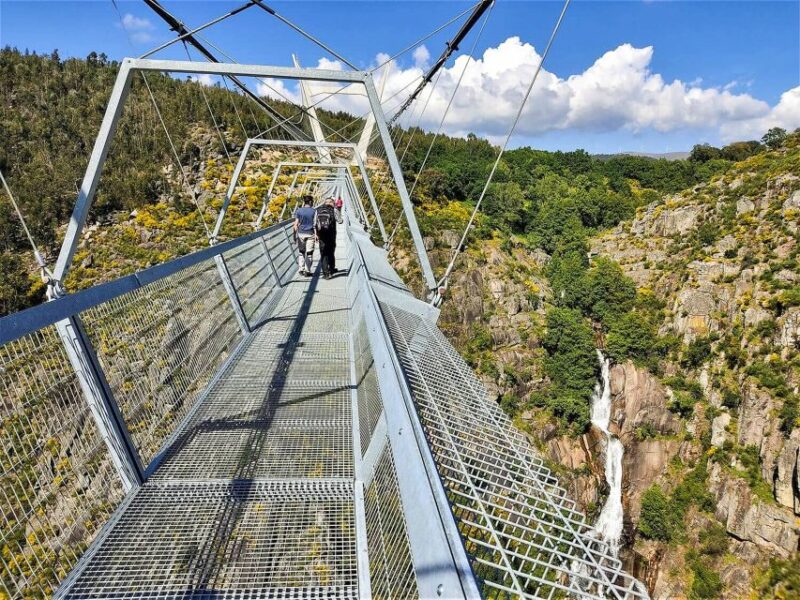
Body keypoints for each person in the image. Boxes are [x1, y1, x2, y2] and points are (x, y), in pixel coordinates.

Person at [293, 195, 316, 276]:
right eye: (312, 201)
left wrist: (294, 236)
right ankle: (307, 271)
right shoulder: (314, 211)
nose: (312, 202)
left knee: (301, 252)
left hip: (300, 234)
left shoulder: (299, 211)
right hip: (310, 234)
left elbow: (295, 224)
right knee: (309, 253)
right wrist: (317, 235)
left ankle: (301, 269)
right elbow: (315, 224)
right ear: (310, 202)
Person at [315, 197, 337, 279]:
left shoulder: (318, 210)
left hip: (321, 235)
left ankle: (326, 274)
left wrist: (316, 234)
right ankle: (331, 269)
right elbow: (340, 220)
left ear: (324, 202)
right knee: (331, 252)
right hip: (331, 234)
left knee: (323, 253)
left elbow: (314, 223)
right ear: (332, 203)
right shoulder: (334, 210)